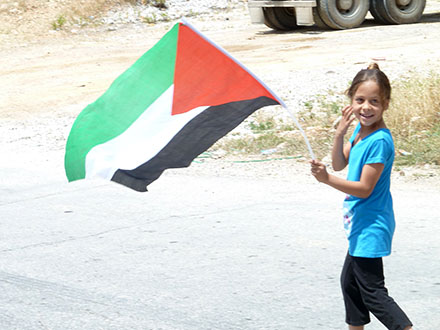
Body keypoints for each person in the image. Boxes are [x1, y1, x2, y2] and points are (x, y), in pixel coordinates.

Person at [310, 63, 413, 330]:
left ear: (386, 104)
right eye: (360, 100)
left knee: (373, 293)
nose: (366, 107)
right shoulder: (359, 131)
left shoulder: (379, 141)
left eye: (374, 101)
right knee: (351, 286)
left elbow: (365, 187)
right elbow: (338, 163)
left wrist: (326, 180)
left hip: (371, 224)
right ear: (351, 101)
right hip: (360, 222)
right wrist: (339, 133)